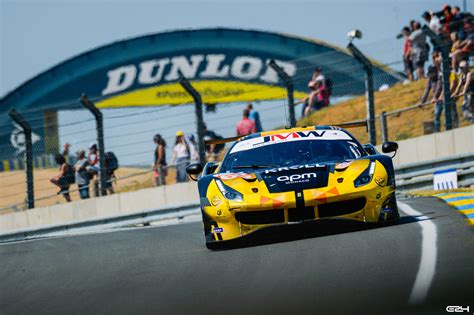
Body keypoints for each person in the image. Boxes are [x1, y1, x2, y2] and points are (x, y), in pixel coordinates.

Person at [418, 66, 442, 131]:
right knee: (436, 115)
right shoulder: (430, 79)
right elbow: (427, 90)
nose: (429, 75)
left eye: (430, 74)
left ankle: (450, 128)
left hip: (443, 98)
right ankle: (437, 131)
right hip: (437, 100)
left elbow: (439, 88)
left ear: (434, 72)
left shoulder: (439, 77)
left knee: (447, 113)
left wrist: (434, 97)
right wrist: (422, 102)